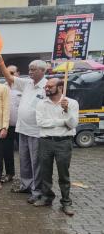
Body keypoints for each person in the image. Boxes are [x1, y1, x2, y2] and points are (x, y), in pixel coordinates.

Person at [0, 58, 47, 203]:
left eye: (33, 69)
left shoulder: (47, 86)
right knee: (24, 160)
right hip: (23, 129)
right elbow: (8, 77)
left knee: (36, 163)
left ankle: (37, 191)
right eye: (29, 69)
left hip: (36, 132)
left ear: (43, 71)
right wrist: (1, 63)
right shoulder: (27, 83)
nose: (30, 72)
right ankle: (26, 185)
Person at [34, 78, 79, 216]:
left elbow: (72, 124)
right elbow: (40, 122)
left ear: (60, 87)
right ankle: (47, 197)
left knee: (63, 173)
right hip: (45, 141)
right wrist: (61, 122)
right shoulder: (41, 103)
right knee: (45, 172)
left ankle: (66, 202)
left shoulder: (71, 103)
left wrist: (66, 110)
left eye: (50, 86)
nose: (46, 88)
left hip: (64, 142)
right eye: (46, 86)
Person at [1, 65, 21, 183]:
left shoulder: (24, 87)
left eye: (12, 73)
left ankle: (26, 176)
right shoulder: (1, 88)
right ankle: (9, 173)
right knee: (7, 152)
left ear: (18, 74)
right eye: (7, 73)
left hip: (21, 126)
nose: (9, 76)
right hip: (6, 126)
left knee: (24, 153)